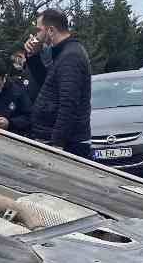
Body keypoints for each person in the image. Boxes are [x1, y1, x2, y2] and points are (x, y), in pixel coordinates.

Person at [22, 9, 93, 157]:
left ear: (51, 30)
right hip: (56, 139)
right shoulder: (62, 53)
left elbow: (68, 104)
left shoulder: (71, 56)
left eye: (38, 30)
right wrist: (33, 56)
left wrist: (57, 144)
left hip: (67, 145)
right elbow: (47, 84)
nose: (35, 36)